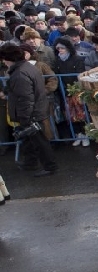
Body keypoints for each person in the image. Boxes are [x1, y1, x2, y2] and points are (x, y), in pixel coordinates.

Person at [1, 43, 57, 177]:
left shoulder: (20, 73)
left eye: (3, 59)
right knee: (29, 140)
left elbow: (26, 97)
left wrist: (26, 117)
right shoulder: (27, 68)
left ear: (9, 58)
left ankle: (50, 166)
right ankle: (30, 162)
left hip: (31, 113)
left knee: (39, 141)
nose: (3, 62)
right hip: (35, 110)